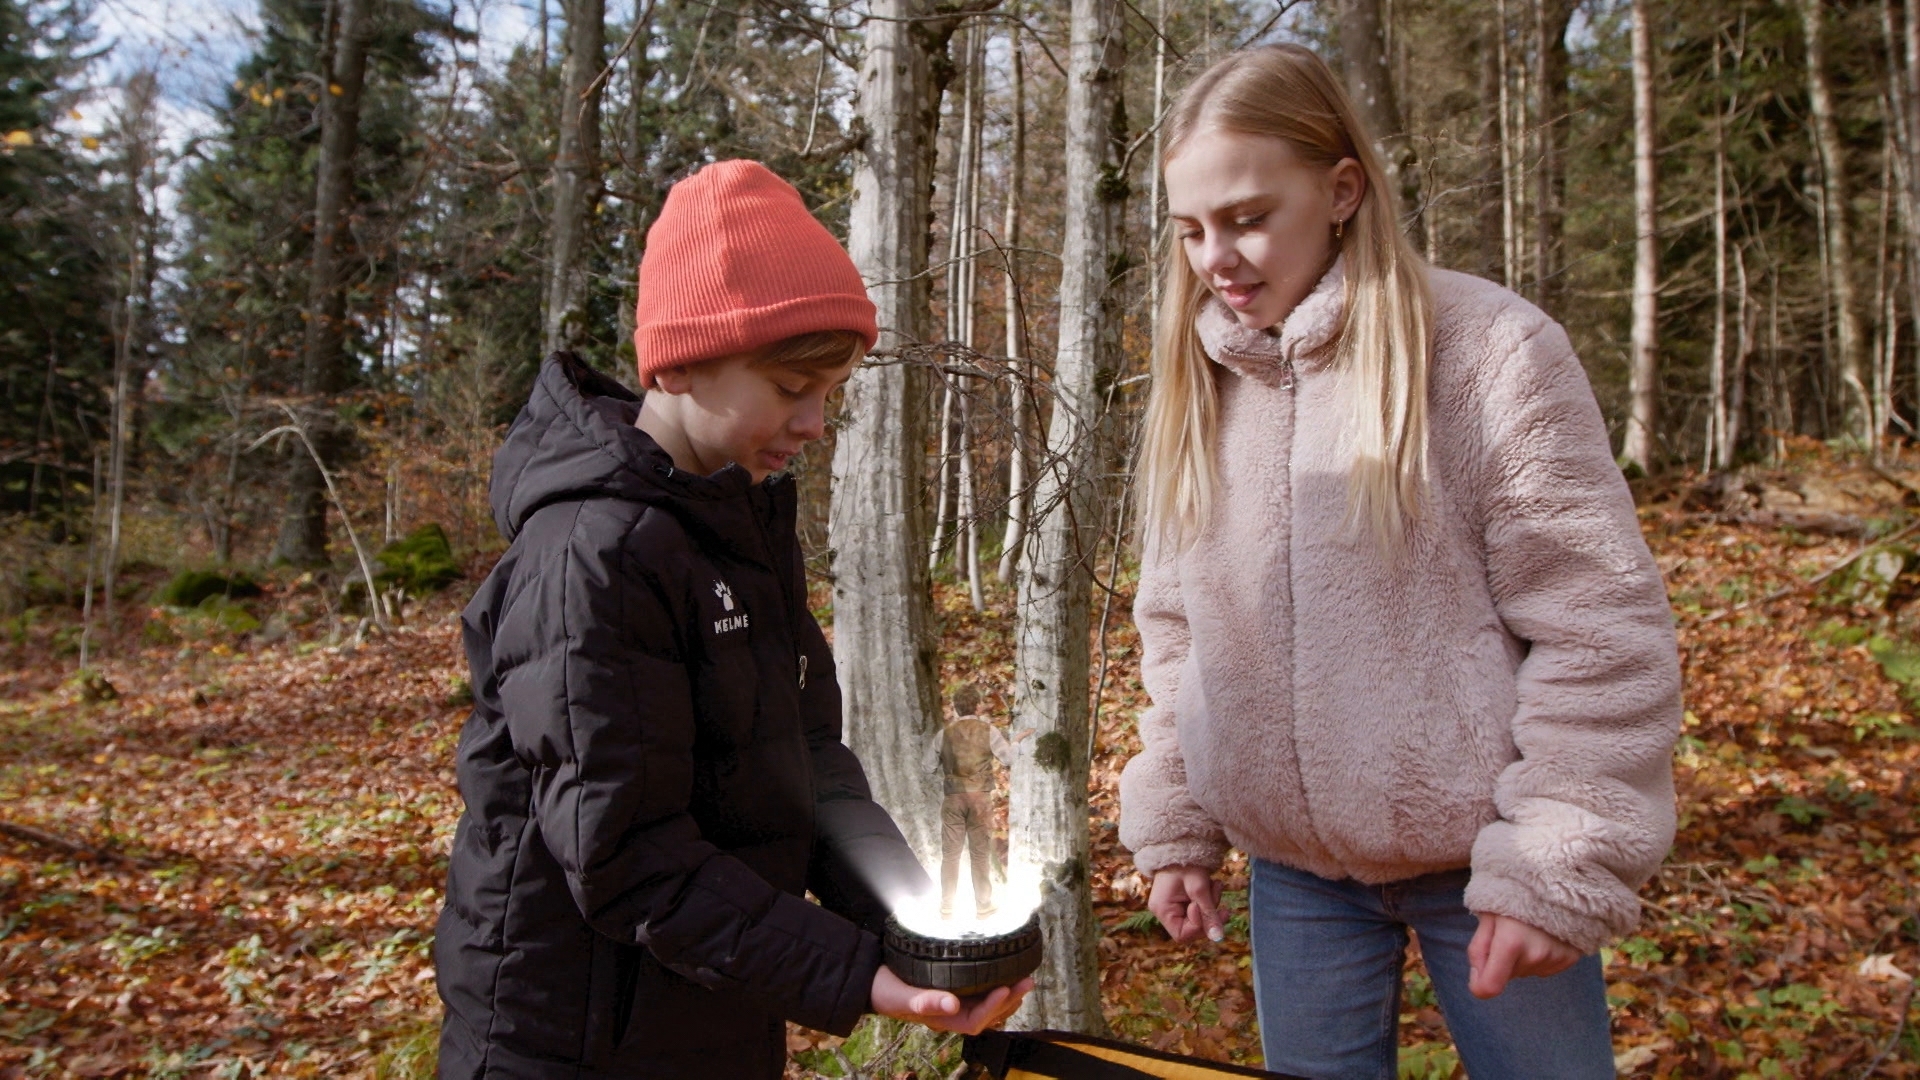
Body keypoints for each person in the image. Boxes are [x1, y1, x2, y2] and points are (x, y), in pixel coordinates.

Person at [1117, 46, 1681, 1080]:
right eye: (1190, 229)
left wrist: (1556, 859)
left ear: (1342, 191)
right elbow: (1181, 633)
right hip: (1295, 880)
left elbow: (1601, 629)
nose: (1216, 259)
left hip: (1492, 861)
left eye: (1247, 217)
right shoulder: (1203, 381)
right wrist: (1179, 821)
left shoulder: (1489, 352)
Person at [434, 160, 1028, 1080]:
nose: (815, 422)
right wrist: (854, 975)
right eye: (792, 386)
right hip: (567, 1043)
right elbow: (623, 852)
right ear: (678, 362)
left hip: (717, 1009)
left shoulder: (739, 530)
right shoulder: (591, 556)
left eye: (830, 392)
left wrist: (914, 928)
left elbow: (811, 770)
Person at [927, 682, 1017, 920]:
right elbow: (1009, 759)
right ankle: (983, 906)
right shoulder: (989, 731)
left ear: (955, 708)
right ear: (977, 706)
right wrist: (1017, 742)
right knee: (980, 854)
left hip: (953, 799)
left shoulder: (944, 734)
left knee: (951, 855)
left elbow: (927, 767)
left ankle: (947, 907)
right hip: (980, 800)